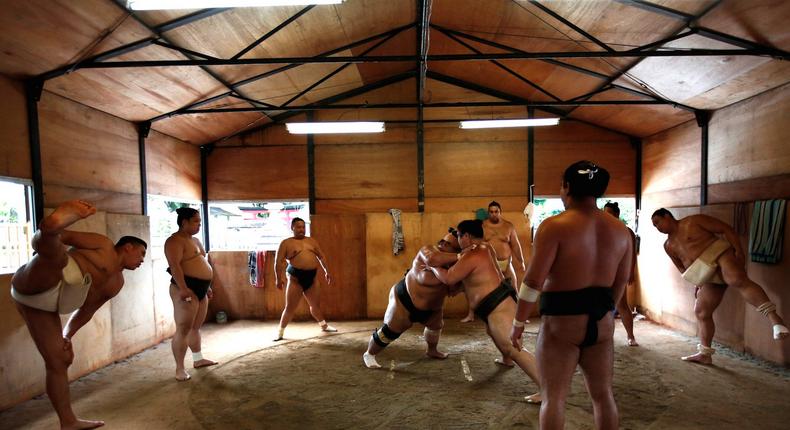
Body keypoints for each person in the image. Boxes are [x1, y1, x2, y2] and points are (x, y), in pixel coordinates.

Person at [510, 161, 633, 429]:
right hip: (601, 323)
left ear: (566, 187)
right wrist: (605, 311)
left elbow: (533, 281)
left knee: (553, 398)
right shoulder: (620, 230)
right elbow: (622, 280)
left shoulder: (554, 226)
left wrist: (518, 323)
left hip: (561, 324)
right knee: (603, 396)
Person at [10, 200, 147, 430]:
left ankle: (68, 422)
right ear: (128, 247)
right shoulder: (103, 245)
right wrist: (50, 237)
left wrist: (67, 336)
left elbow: (87, 311)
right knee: (57, 255)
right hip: (35, 280)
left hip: (45, 305)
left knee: (59, 361)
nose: (142, 260)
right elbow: (66, 237)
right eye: (141, 253)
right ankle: (48, 227)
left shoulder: (116, 283)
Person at [651, 208, 788, 364]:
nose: (657, 227)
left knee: (735, 279)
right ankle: (705, 354)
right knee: (702, 311)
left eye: (658, 222)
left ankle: (776, 321)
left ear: (667, 216)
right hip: (705, 272)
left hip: (720, 254)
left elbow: (725, 229)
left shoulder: (693, 221)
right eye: (655, 226)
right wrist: (698, 281)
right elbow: (682, 267)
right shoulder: (668, 245)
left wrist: (739, 251)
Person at [429, 219, 541, 402]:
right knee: (494, 334)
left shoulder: (473, 254)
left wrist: (434, 267)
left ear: (466, 236)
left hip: (499, 305)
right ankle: (506, 360)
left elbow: (449, 278)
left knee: (514, 348)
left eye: (458, 236)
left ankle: (546, 389)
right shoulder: (485, 248)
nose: (458, 240)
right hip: (495, 304)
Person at [363, 231, 463, 368]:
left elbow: (457, 288)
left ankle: (432, 351)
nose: (443, 244)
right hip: (404, 301)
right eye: (443, 242)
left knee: (436, 326)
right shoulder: (428, 251)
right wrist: (461, 256)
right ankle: (369, 353)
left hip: (432, 308)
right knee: (390, 331)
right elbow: (433, 259)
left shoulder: (457, 266)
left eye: (451, 245)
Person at [164, 207, 218, 382]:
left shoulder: (195, 240)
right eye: (196, 221)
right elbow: (175, 266)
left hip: (201, 288)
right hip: (185, 287)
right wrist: (184, 288)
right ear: (184, 222)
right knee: (183, 328)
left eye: (200, 222)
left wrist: (208, 286)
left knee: (195, 327)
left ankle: (198, 359)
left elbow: (203, 261)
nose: (199, 225)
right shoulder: (174, 241)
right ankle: (179, 368)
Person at [461, 201, 526, 323]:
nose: (494, 214)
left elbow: (516, 245)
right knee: (475, 289)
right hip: (487, 264)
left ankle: (519, 317)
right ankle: (470, 315)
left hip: (506, 263)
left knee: (514, 288)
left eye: (496, 212)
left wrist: (521, 261)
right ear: (488, 212)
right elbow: (474, 241)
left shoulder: (508, 226)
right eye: (491, 212)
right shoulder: (482, 226)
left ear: (500, 212)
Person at [274, 217, 336, 341]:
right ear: (292, 228)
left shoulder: (312, 241)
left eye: (303, 227)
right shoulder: (286, 243)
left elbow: (321, 257)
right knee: (290, 307)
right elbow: (278, 262)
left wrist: (327, 272)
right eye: (298, 227)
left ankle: (324, 326)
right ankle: (280, 332)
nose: (301, 229)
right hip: (295, 279)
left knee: (315, 305)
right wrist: (278, 278)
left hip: (312, 277)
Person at [602, 202, 639, 346]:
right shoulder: (601, 229)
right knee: (603, 305)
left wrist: (631, 271)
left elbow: (632, 254)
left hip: (620, 271)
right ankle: (605, 337)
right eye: (604, 213)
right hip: (604, 270)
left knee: (622, 304)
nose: (606, 216)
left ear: (617, 214)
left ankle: (631, 336)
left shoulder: (626, 230)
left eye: (609, 213)